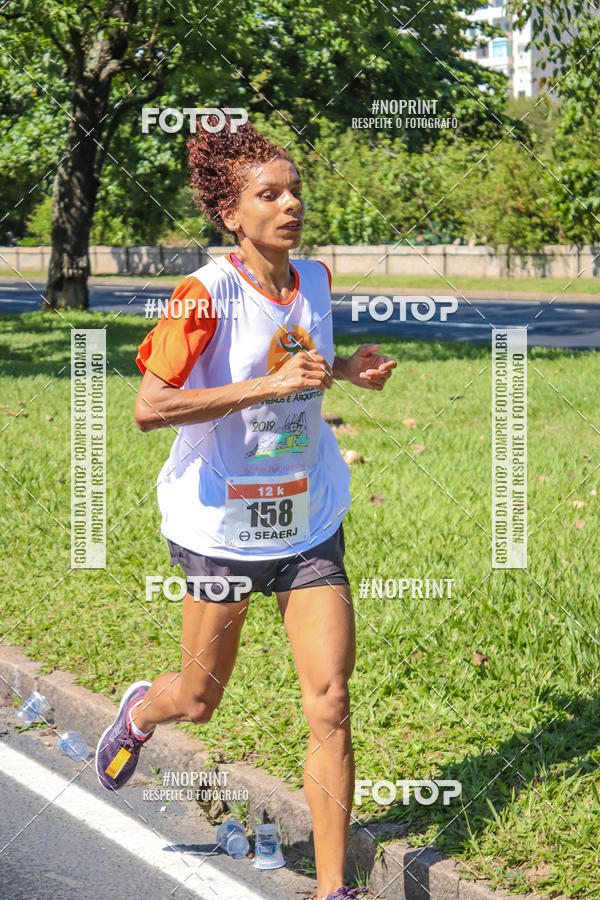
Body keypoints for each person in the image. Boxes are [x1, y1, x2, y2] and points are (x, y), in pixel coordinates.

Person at [95, 119, 395, 900]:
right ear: (232, 213)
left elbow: (302, 364)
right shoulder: (206, 295)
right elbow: (149, 407)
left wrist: (351, 373)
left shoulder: (317, 280)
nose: (289, 203)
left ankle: (334, 889)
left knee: (330, 700)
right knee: (199, 699)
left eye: (295, 189)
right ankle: (140, 712)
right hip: (220, 529)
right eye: (269, 193)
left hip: (306, 519)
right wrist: (270, 385)